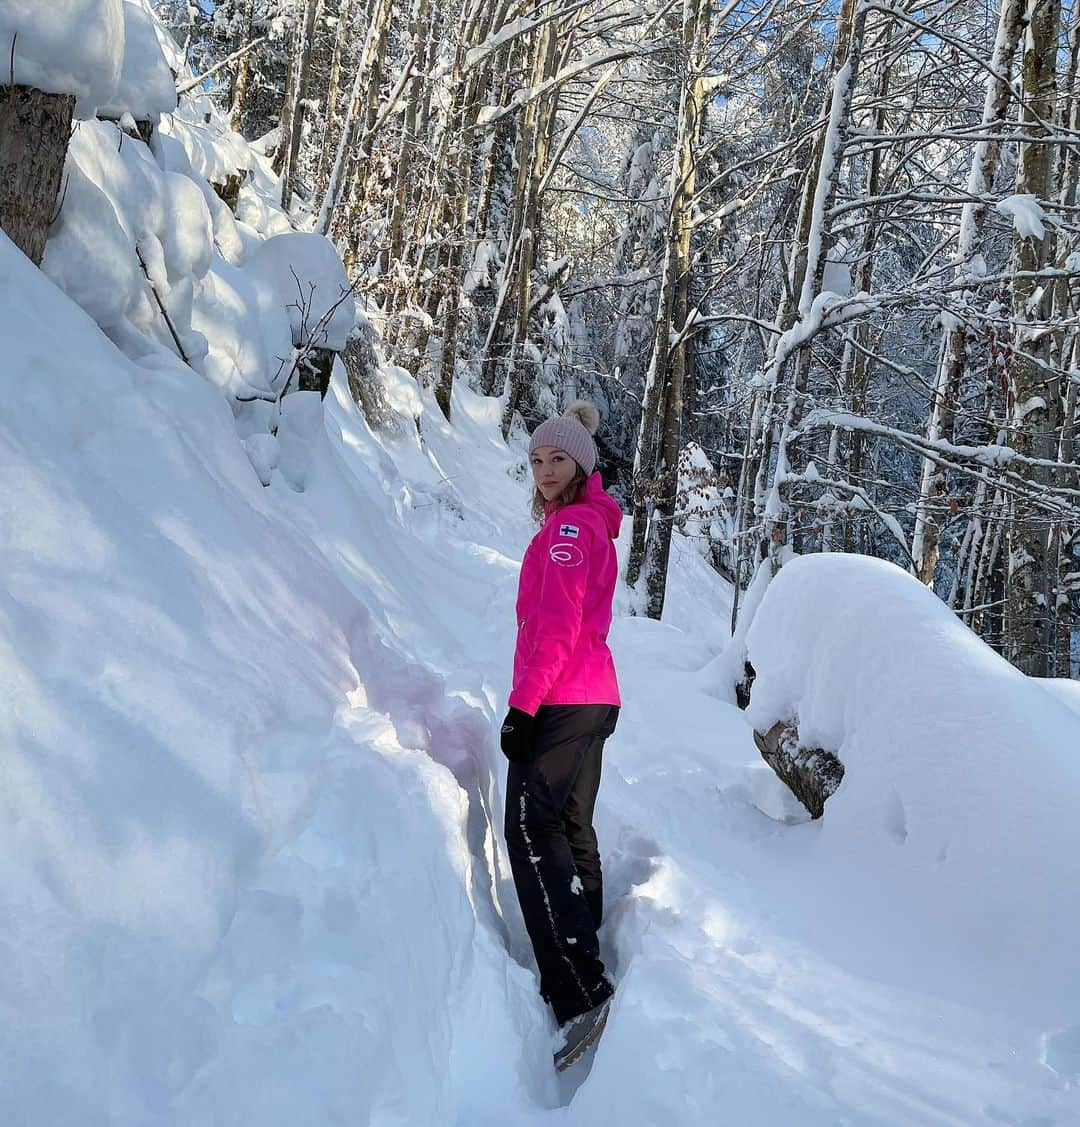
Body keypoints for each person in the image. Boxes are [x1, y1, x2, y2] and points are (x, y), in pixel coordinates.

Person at [500, 399, 622, 1071]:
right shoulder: (582, 524)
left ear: (582, 464)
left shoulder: (571, 530)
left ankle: (580, 994)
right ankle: (589, 945)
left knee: (530, 827)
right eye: (537, 459)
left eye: (558, 458)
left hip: (563, 697)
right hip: (591, 696)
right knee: (571, 826)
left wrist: (523, 707)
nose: (545, 470)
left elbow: (558, 623)